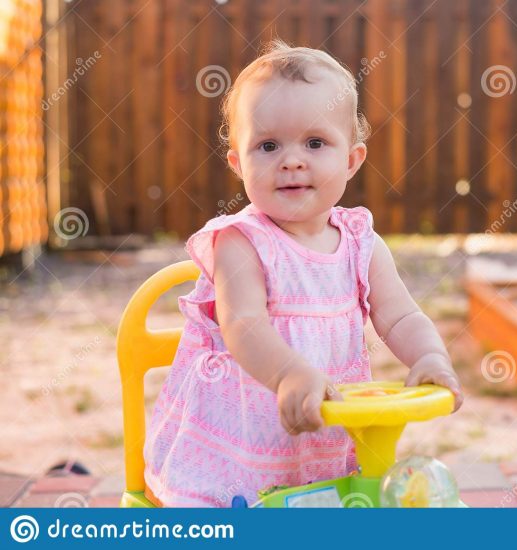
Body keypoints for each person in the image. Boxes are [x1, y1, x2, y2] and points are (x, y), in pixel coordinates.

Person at [143, 40, 463, 507]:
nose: (292, 160)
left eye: (315, 143)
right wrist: (290, 372)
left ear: (351, 160)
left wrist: (431, 356)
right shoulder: (241, 241)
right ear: (238, 163)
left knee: (322, 504)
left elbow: (399, 317)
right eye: (268, 145)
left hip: (326, 420)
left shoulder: (360, 242)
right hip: (245, 435)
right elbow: (243, 324)